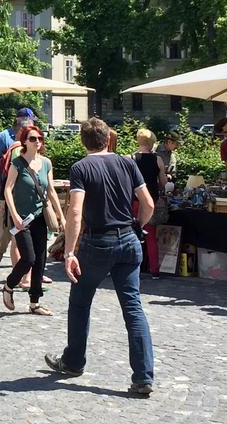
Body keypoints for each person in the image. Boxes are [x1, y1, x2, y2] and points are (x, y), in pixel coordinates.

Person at [45, 117, 154, 396]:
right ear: (108, 139)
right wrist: (138, 226)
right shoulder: (128, 163)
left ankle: (73, 361)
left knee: (80, 303)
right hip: (128, 240)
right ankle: (143, 376)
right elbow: (148, 203)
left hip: (97, 242)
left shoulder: (81, 167)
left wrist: (69, 251)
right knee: (133, 308)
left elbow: (76, 212)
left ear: (83, 142)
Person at [2, 124, 65, 316]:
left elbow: (51, 190)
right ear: (24, 142)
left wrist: (61, 215)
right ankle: (9, 285)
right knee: (28, 258)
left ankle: (34, 302)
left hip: (39, 218)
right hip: (21, 218)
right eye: (32, 138)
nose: (37, 141)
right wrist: (14, 216)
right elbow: (7, 190)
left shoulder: (46, 163)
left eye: (39, 138)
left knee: (40, 260)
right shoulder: (17, 163)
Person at [0, 111, 34, 263]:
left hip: (22, 198)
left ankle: (23, 271)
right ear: (21, 130)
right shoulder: (7, 140)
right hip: (12, 196)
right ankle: (2, 251)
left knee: (14, 233)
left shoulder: (30, 147)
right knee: (6, 228)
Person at [131, 128, 167, 276]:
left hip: (136, 200)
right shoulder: (157, 159)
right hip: (152, 200)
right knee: (151, 236)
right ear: (152, 143)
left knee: (134, 234)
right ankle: (154, 270)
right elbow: (163, 182)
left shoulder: (131, 158)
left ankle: (135, 268)